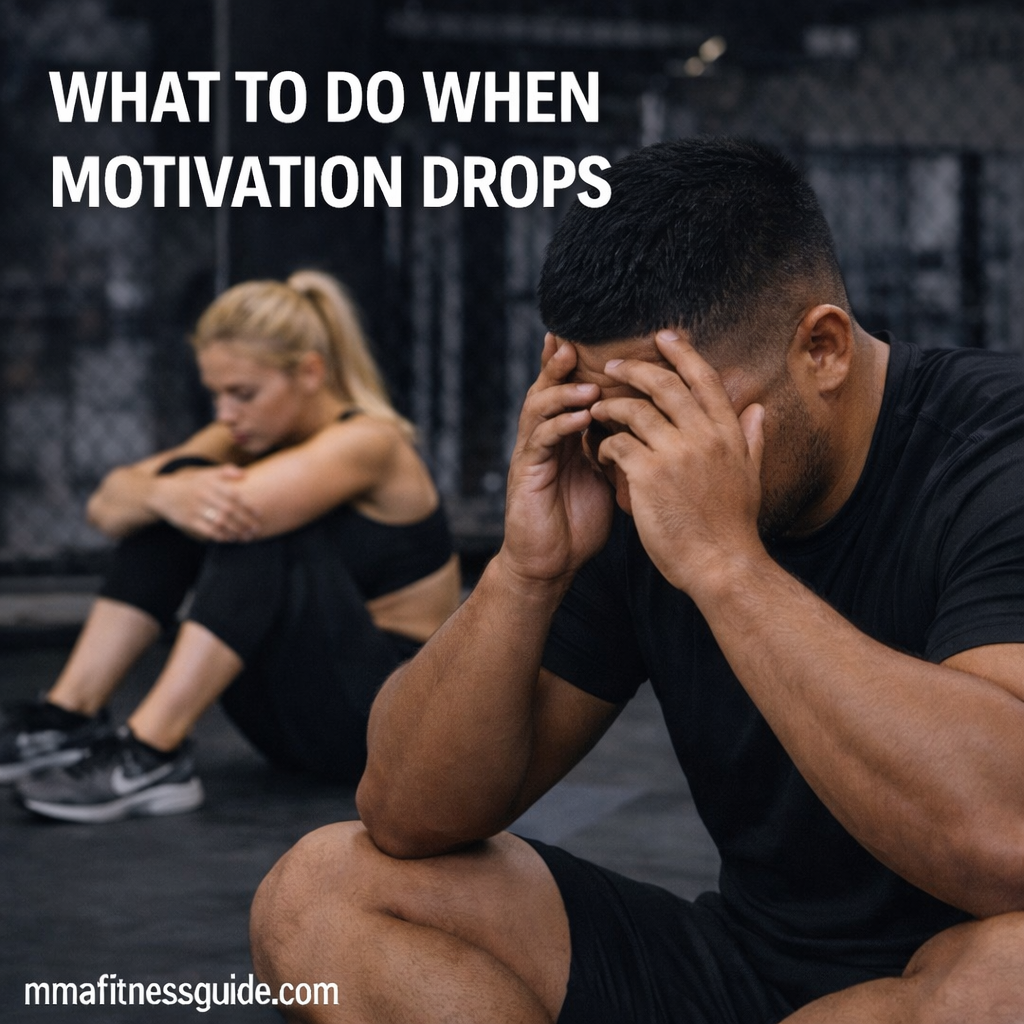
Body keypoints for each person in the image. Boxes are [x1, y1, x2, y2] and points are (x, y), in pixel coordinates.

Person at [249, 139, 1024, 1023]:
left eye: (679, 412)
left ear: (823, 349)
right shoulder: (624, 482)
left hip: (950, 980)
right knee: (324, 892)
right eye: (607, 415)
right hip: (745, 972)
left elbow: (1004, 840)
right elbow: (406, 815)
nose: (638, 460)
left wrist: (726, 566)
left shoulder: (995, 455)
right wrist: (525, 571)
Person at [0, 270, 459, 823]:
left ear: (310, 372)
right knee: (179, 498)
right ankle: (64, 718)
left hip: (388, 728)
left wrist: (166, 491)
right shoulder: (243, 435)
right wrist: (164, 493)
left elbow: (226, 511)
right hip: (294, 717)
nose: (224, 414)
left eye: (243, 394)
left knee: (235, 516)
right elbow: (108, 507)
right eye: (215, 393)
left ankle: (151, 753)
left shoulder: (370, 442)